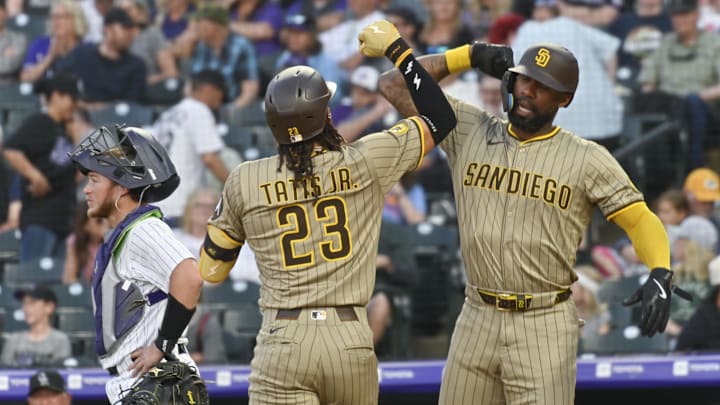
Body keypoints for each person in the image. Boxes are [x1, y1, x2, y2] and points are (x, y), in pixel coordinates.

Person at [378, 40, 687, 404]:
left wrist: (660, 270)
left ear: (564, 99)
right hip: (476, 315)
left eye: (543, 86)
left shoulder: (587, 158)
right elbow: (393, 85)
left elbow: (638, 218)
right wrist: (467, 56)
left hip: (543, 322)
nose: (528, 91)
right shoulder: (466, 127)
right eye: (524, 80)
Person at [197, 19, 457, 404]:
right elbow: (442, 118)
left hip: (283, 340)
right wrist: (399, 51)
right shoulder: (365, 160)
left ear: (273, 127)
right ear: (328, 117)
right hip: (348, 337)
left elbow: (211, 270)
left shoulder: (243, 179)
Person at [67, 125, 205, 403]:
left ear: (122, 187)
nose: (87, 190)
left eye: (94, 179)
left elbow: (190, 277)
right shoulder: (128, 234)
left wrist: (161, 346)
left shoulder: (144, 230)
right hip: (138, 380)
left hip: (158, 378)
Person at [2, 73, 80, 262]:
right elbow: (12, 150)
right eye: (72, 98)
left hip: (63, 219)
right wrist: (35, 176)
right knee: (35, 279)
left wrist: (76, 136)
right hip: (40, 217)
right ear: (56, 96)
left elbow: (77, 172)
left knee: (57, 285)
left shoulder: (64, 128)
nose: (76, 104)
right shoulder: (41, 122)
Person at [152, 69, 229, 225]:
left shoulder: (168, 114)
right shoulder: (198, 109)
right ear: (209, 89)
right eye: (221, 92)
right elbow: (210, 158)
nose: (221, 101)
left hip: (157, 205)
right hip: (182, 206)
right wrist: (237, 187)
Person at [56, 7, 147, 106]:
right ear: (108, 30)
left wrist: (101, 108)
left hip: (117, 119)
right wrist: (79, 104)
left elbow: (133, 104)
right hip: (80, 114)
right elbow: (58, 82)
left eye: (130, 30)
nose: (129, 34)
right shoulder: (82, 54)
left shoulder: (136, 65)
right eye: (124, 28)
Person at [1, 285, 71, 368]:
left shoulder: (60, 340)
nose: (26, 309)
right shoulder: (13, 339)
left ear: (49, 307)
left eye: (32, 303)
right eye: (24, 303)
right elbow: (5, 373)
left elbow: (61, 372)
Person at [19, 0, 87, 83]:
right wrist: (50, 57)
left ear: (76, 19)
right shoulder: (40, 44)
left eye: (62, 16)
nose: (56, 21)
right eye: (53, 17)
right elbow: (25, 78)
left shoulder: (86, 48)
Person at [62, 202, 110, 284]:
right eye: (99, 221)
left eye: (107, 218)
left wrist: (108, 238)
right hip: (89, 290)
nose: (106, 224)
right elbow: (68, 279)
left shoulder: (114, 239)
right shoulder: (76, 242)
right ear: (85, 226)